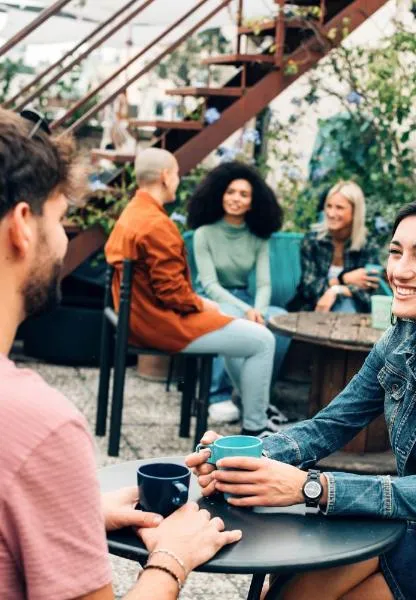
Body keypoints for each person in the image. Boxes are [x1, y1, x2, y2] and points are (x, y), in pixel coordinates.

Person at [188, 192, 416, 600]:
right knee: (292, 585)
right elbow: (328, 427)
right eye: (396, 252)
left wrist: (311, 487)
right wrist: (248, 456)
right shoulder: (401, 343)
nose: (399, 270)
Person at [0, 108, 241, 600]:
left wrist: (75, 507)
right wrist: (172, 557)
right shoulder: (36, 426)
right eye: (62, 218)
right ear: (24, 226)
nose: (64, 240)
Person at [105, 148, 279, 438]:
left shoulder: (135, 211)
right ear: (164, 176)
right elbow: (173, 293)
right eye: (176, 174)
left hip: (139, 315)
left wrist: (204, 304)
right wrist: (203, 306)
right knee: (262, 339)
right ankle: (256, 429)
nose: (178, 180)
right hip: (160, 323)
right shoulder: (156, 224)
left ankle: (252, 415)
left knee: (242, 327)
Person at [187, 161, 291, 426]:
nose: (235, 199)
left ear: (252, 203)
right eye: (231, 192)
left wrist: (260, 310)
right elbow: (209, 284)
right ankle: (248, 403)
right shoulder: (204, 234)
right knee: (238, 325)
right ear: (220, 194)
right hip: (211, 299)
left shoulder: (258, 237)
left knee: (280, 324)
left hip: (245, 299)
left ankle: (256, 397)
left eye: (243, 194)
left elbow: (264, 284)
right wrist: (247, 311)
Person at [288, 180, 381, 314]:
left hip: (352, 314)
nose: (331, 213)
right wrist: (344, 279)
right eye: (329, 206)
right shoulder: (313, 240)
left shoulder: (368, 245)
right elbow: (309, 288)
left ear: (355, 211)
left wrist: (335, 290)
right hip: (310, 309)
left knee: (347, 305)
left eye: (339, 207)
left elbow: (368, 294)